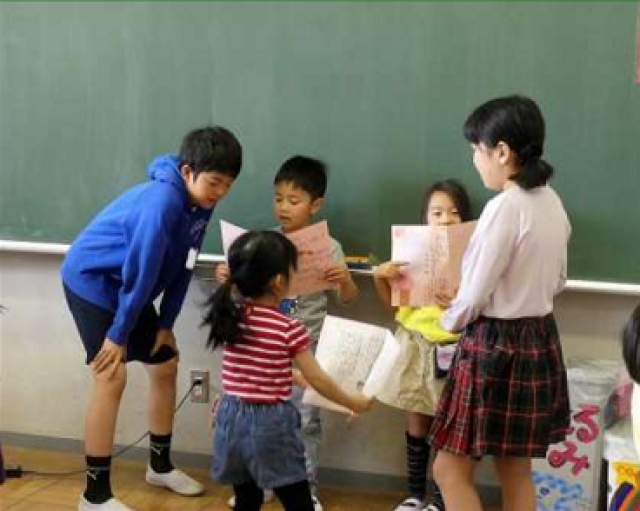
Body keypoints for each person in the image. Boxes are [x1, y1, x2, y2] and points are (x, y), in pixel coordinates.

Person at [61, 126, 243, 511]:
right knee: (111, 374)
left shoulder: (201, 200)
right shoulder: (162, 204)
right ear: (188, 171)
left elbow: (186, 263)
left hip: (127, 285)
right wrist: (118, 334)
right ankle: (94, 496)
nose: (220, 193)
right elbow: (141, 273)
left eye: (228, 185)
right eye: (214, 183)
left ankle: (159, 467)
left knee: (165, 363)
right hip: (93, 279)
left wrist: (165, 326)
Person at [427, 95, 571, 511]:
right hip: (538, 338)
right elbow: (558, 280)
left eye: (477, 149)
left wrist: (450, 318)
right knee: (515, 470)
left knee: (449, 470)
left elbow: (474, 295)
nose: (475, 160)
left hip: (495, 344)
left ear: (502, 152)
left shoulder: (505, 207)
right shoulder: (551, 201)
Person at [215, 155, 358, 511]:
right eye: (278, 198)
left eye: (294, 200)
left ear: (315, 205)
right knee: (262, 418)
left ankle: (306, 486)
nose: (283, 207)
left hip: (307, 342)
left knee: (304, 420)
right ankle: (261, 484)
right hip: (266, 346)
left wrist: (345, 280)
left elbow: (348, 298)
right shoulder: (263, 245)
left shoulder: (330, 247)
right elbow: (243, 297)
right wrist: (228, 278)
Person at [204, 230, 372, 511]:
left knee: (247, 499)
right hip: (269, 424)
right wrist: (351, 402)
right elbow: (318, 379)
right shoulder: (288, 328)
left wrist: (292, 376)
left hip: (229, 417)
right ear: (279, 281)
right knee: (297, 500)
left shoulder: (231, 318)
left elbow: (253, 368)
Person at [373, 179, 472, 511]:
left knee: (450, 427)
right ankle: (415, 494)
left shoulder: (474, 256)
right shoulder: (411, 254)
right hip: (416, 345)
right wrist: (379, 277)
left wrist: (457, 304)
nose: (445, 219)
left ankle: (443, 499)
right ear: (425, 218)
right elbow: (394, 307)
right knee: (416, 420)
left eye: (454, 212)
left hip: (454, 348)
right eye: (437, 212)